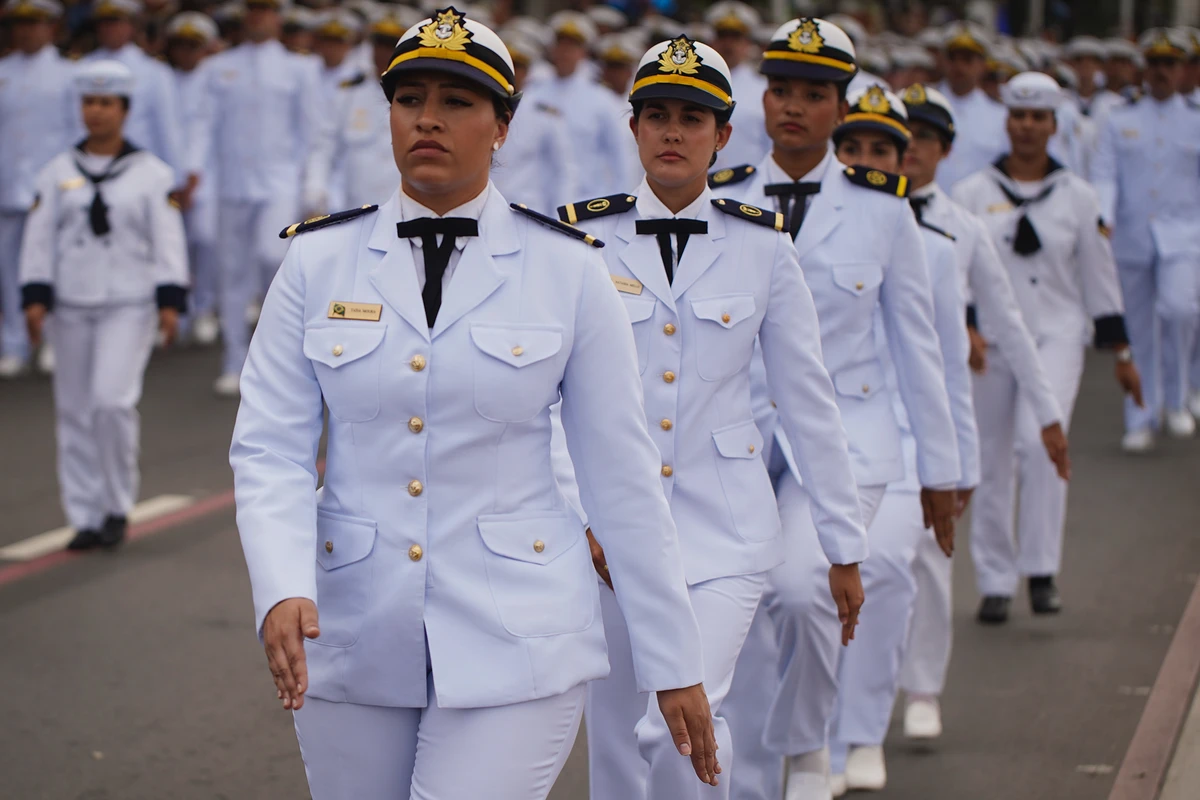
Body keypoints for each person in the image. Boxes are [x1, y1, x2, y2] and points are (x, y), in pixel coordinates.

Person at [229, 9, 719, 798]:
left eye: (456, 101)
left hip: (519, 634)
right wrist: (282, 584)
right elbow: (270, 446)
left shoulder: (567, 270)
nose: (427, 118)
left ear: (502, 126)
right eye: (409, 98)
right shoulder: (319, 260)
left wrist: (672, 661)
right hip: (353, 626)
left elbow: (620, 475)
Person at [557, 33, 867, 800]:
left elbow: (807, 398)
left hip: (725, 529)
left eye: (692, 118)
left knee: (678, 722)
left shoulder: (762, 247)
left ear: (723, 135)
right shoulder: (579, 242)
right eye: (656, 114)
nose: (672, 132)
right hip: (612, 531)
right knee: (620, 738)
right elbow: (550, 405)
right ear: (632, 128)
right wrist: (577, 516)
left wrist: (842, 542)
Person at [713, 18, 961, 800]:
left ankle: (809, 743)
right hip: (741, 438)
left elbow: (918, 348)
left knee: (802, 588)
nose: (792, 107)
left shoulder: (884, 210)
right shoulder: (723, 200)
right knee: (745, 609)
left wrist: (943, 473)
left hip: (849, 437)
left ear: (841, 107)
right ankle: (751, 775)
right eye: (780, 89)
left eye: (813, 94)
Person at [895, 81, 1069, 744]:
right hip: (857, 417)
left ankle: (923, 689)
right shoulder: (837, 215)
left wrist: (1048, 413)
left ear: (943, 150)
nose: (907, 152)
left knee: (929, 562)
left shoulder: (963, 229)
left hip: (936, 416)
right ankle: (845, 714)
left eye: (923, 142)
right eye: (896, 140)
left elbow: (1009, 322)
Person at [822, 83, 978, 794]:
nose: (864, 159)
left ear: (904, 158)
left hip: (904, 445)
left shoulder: (935, 246)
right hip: (820, 441)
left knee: (881, 574)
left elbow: (943, 364)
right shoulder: (797, 224)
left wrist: (956, 465)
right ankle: (815, 740)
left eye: (880, 150)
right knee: (804, 592)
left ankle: (861, 730)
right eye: (849, 147)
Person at [955, 71, 1142, 623]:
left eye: (1038, 117)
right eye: (1018, 116)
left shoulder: (1078, 198)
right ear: (1006, 122)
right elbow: (956, 270)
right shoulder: (972, 193)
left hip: (1057, 337)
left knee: (1039, 446)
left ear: (1055, 125)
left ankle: (1040, 569)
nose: (1027, 127)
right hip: (990, 339)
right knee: (989, 457)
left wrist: (1123, 353)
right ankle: (994, 579)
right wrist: (965, 324)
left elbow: (1098, 276)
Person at [19, 61, 188, 552]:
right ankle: (84, 515)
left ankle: (116, 504)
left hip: (128, 301)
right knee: (73, 411)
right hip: (71, 302)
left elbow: (168, 239)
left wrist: (170, 299)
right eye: (89, 103)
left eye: (106, 103)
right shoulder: (57, 172)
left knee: (110, 403)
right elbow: (38, 238)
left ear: (125, 110)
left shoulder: (151, 174)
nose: (96, 112)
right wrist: (34, 295)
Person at [189, 0, 322, 397]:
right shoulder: (220, 67)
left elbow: (312, 132)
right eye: (253, 10)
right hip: (232, 182)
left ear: (278, 16)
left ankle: (282, 358)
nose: (259, 17)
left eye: (266, 10)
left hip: (279, 181)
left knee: (272, 258)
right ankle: (235, 361)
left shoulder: (300, 68)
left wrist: (312, 182)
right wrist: (194, 170)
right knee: (231, 274)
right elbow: (203, 123)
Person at [1091, 28, 1200, 451]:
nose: (1161, 72)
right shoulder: (1120, 117)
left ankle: (1176, 399)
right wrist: (1103, 214)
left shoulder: (1194, 117)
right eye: (1154, 64)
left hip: (1185, 234)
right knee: (1135, 332)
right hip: (1134, 234)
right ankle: (1140, 414)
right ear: (1145, 69)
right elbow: (1105, 174)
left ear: (1183, 70)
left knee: (1178, 310)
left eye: (1170, 64)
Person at [0, 0, 79, 378]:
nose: (26, 31)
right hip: (7, 186)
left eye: (35, 24)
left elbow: (78, 134)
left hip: (53, 187)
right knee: (9, 270)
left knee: (54, 267)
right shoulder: (3, 71)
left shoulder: (68, 74)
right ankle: (15, 343)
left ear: (51, 27)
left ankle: (52, 339)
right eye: (20, 24)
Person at [520, 11, 635, 195]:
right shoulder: (532, 96)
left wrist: (621, 206)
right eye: (561, 45)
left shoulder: (602, 100)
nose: (565, 52)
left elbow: (619, 159)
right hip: (539, 203)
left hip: (587, 205)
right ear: (552, 49)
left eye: (572, 46)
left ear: (583, 52)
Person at [304, 8, 401, 212]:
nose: (384, 52)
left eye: (390, 45)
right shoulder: (350, 91)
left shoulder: (415, 96)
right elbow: (324, 145)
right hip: (351, 203)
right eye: (379, 44)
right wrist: (316, 188)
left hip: (399, 205)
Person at [84, 0, 186, 191]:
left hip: (140, 170)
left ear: (131, 25)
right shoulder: (82, 68)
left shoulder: (154, 71)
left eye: (116, 22)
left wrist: (176, 179)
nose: (109, 29)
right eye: (104, 22)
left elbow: (168, 128)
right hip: (89, 169)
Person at [164, 11, 219, 346]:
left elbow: (207, 130)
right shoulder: (163, 78)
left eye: (193, 46)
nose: (186, 53)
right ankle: (178, 309)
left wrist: (193, 175)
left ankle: (205, 307)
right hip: (168, 174)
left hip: (207, 173)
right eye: (180, 46)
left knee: (206, 239)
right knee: (173, 244)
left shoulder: (214, 78)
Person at [487, 31, 577, 213]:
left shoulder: (543, 114)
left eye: (518, 67)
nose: (512, 73)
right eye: (508, 66)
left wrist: (562, 215)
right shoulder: (482, 108)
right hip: (485, 209)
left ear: (527, 71)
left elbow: (564, 170)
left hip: (528, 210)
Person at [935, 22, 1008, 191]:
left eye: (968, 60)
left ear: (983, 65)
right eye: (953, 58)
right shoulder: (925, 106)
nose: (959, 67)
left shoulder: (999, 115)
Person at [706, 1, 770, 171]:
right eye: (722, 36)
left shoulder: (763, 90)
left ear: (747, 43)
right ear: (712, 40)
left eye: (735, 37)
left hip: (749, 189)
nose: (728, 44)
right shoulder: (697, 85)